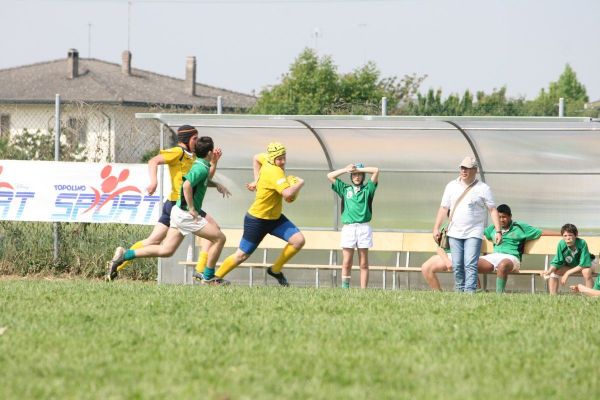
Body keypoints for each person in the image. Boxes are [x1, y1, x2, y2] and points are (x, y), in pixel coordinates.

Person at [106, 125, 229, 281]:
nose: (197, 141)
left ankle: (120, 260)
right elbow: (153, 161)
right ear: (186, 139)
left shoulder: (193, 157)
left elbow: (203, 177)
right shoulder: (178, 151)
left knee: (160, 245)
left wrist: (214, 168)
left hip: (176, 205)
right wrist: (153, 182)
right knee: (217, 234)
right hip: (181, 204)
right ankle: (204, 273)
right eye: (194, 138)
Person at [212, 142, 305, 286]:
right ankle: (215, 278)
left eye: (284, 157)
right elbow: (287, 194)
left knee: (298, 240)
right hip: (257, 220)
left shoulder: (266, 158)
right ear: (273, 159)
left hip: (275, 218)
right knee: (241, 255)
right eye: (279, 159)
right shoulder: (275, 172)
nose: (283, 162)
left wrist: (256, 180)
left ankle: (275, 270)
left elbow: (256, 158)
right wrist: (299, 184)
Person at [433, 156, 502, 293]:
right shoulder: (451, 186)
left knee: (470, 264)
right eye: (462, 168)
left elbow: (492, 209)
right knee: (457, 265)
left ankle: (469, 292)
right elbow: (443, 208)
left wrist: (498, 231)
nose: (464, 171)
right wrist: (436, 227)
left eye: (468, 168)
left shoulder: (483, 188)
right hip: (454, 232)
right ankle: (460, 291)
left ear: (475, 170)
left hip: (474, 232)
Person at [478, 204, 560, 293]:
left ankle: (499, 295)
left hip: (512, 258)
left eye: (504, 217)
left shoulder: (520, 227)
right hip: (495, 256)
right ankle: (476, 292)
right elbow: (479, 231)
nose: (501, 220)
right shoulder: (493, 228)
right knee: (470, 263)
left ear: (510, 216)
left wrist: (563, 234)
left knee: (502, 265)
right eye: (499, 217)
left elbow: (541, 232)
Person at [327, 163, 379, 289]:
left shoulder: (368, 189)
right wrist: (346, 170)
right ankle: (345, 289)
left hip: (364, 228)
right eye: (354, 174)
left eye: (359, 175)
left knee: (364, 263)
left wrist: (359, 168)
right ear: (351, 176)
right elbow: (330, 175)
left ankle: (363, 291)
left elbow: (376, 170)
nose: (357, 177)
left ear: (363, 176)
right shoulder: (345, 189)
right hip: (349, 228)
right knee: (346, 262)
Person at [541, 223, 593, 295]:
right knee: (554, 271)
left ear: (576, 235)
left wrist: (567, 273)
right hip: (573, 265)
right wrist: (549, 271)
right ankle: (552, 296)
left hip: (588, 263)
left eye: (570, 235)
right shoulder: (561, 244)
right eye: (565, 236)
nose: (568, 238)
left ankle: (590, 295)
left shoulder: (582, 243)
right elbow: (557, 262)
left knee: (586, 271)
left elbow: (584, 264)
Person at [421, 211, 453, 291]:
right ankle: (437, 292)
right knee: (426, 267)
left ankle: (475, 290)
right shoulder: (445, 228)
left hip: (463, 254)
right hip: (448, 255)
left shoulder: (467, 227)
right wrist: (447, 261)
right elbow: (439, 248)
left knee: (468, 263)